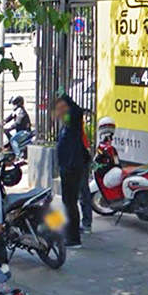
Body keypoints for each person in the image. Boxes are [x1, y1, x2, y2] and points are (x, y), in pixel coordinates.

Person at [54, 92, 92, 248]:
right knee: (67, 202)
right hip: (66, 167)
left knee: (71, 203)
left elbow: (76, 112)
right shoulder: (67, 127)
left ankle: (74, 238)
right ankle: (69, 233)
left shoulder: (73, 126)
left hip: (72, 167)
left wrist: (66, 98)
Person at [5, 95, 32, 159]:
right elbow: (8, 118)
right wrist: (1, 122)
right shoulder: (16, 111)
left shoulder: (21, 111)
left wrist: (9, 128)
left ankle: (18, 156)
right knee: (9, 136)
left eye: (14, 103)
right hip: (19, 131)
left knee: (13, 140)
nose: (13, 105)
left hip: (25, 131)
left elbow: (17, 123)